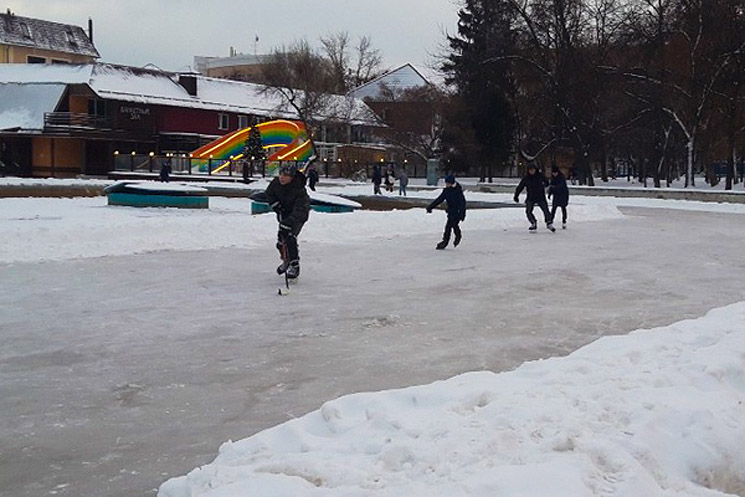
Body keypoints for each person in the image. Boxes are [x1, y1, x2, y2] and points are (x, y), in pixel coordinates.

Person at [265, 163, 310, 279]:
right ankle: (286, 260)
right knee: (280, 241)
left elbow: (301, 210)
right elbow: (269, 194)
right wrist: (276, 205)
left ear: (292, 177)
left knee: (290, 237)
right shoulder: (276, 183)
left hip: (298, 217)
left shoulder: (299, 189)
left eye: (285, 175)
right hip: (284, 213)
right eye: (280, 174)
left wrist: (289, 222)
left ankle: (294, 265)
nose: (282, 177)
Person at [426, 174, 467, 250]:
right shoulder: (446, 191)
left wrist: (462, 214)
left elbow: (462, 203)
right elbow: (439, 199)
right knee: (453, 226)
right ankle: (457, 236)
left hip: (457, 212)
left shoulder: (458, 191)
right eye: (446, 183)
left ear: (451, 183)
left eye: (448, 183)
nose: (446, 184)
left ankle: (445, 242)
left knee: (449, 226)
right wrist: (430, 207)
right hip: (451, 211)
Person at [514, 163, 555, 232]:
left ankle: (549, 223)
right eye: (530, 170)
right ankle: (533, 222)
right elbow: (520, 187)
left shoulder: (540, 176)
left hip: (540, 196)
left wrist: (545, 184)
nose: (531, 171)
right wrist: (516, 195)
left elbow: (547, 182)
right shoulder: (526, 178)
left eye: (533, 170)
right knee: (528, 211)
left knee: (546, 210)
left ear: (535, 170)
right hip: (531, 197)